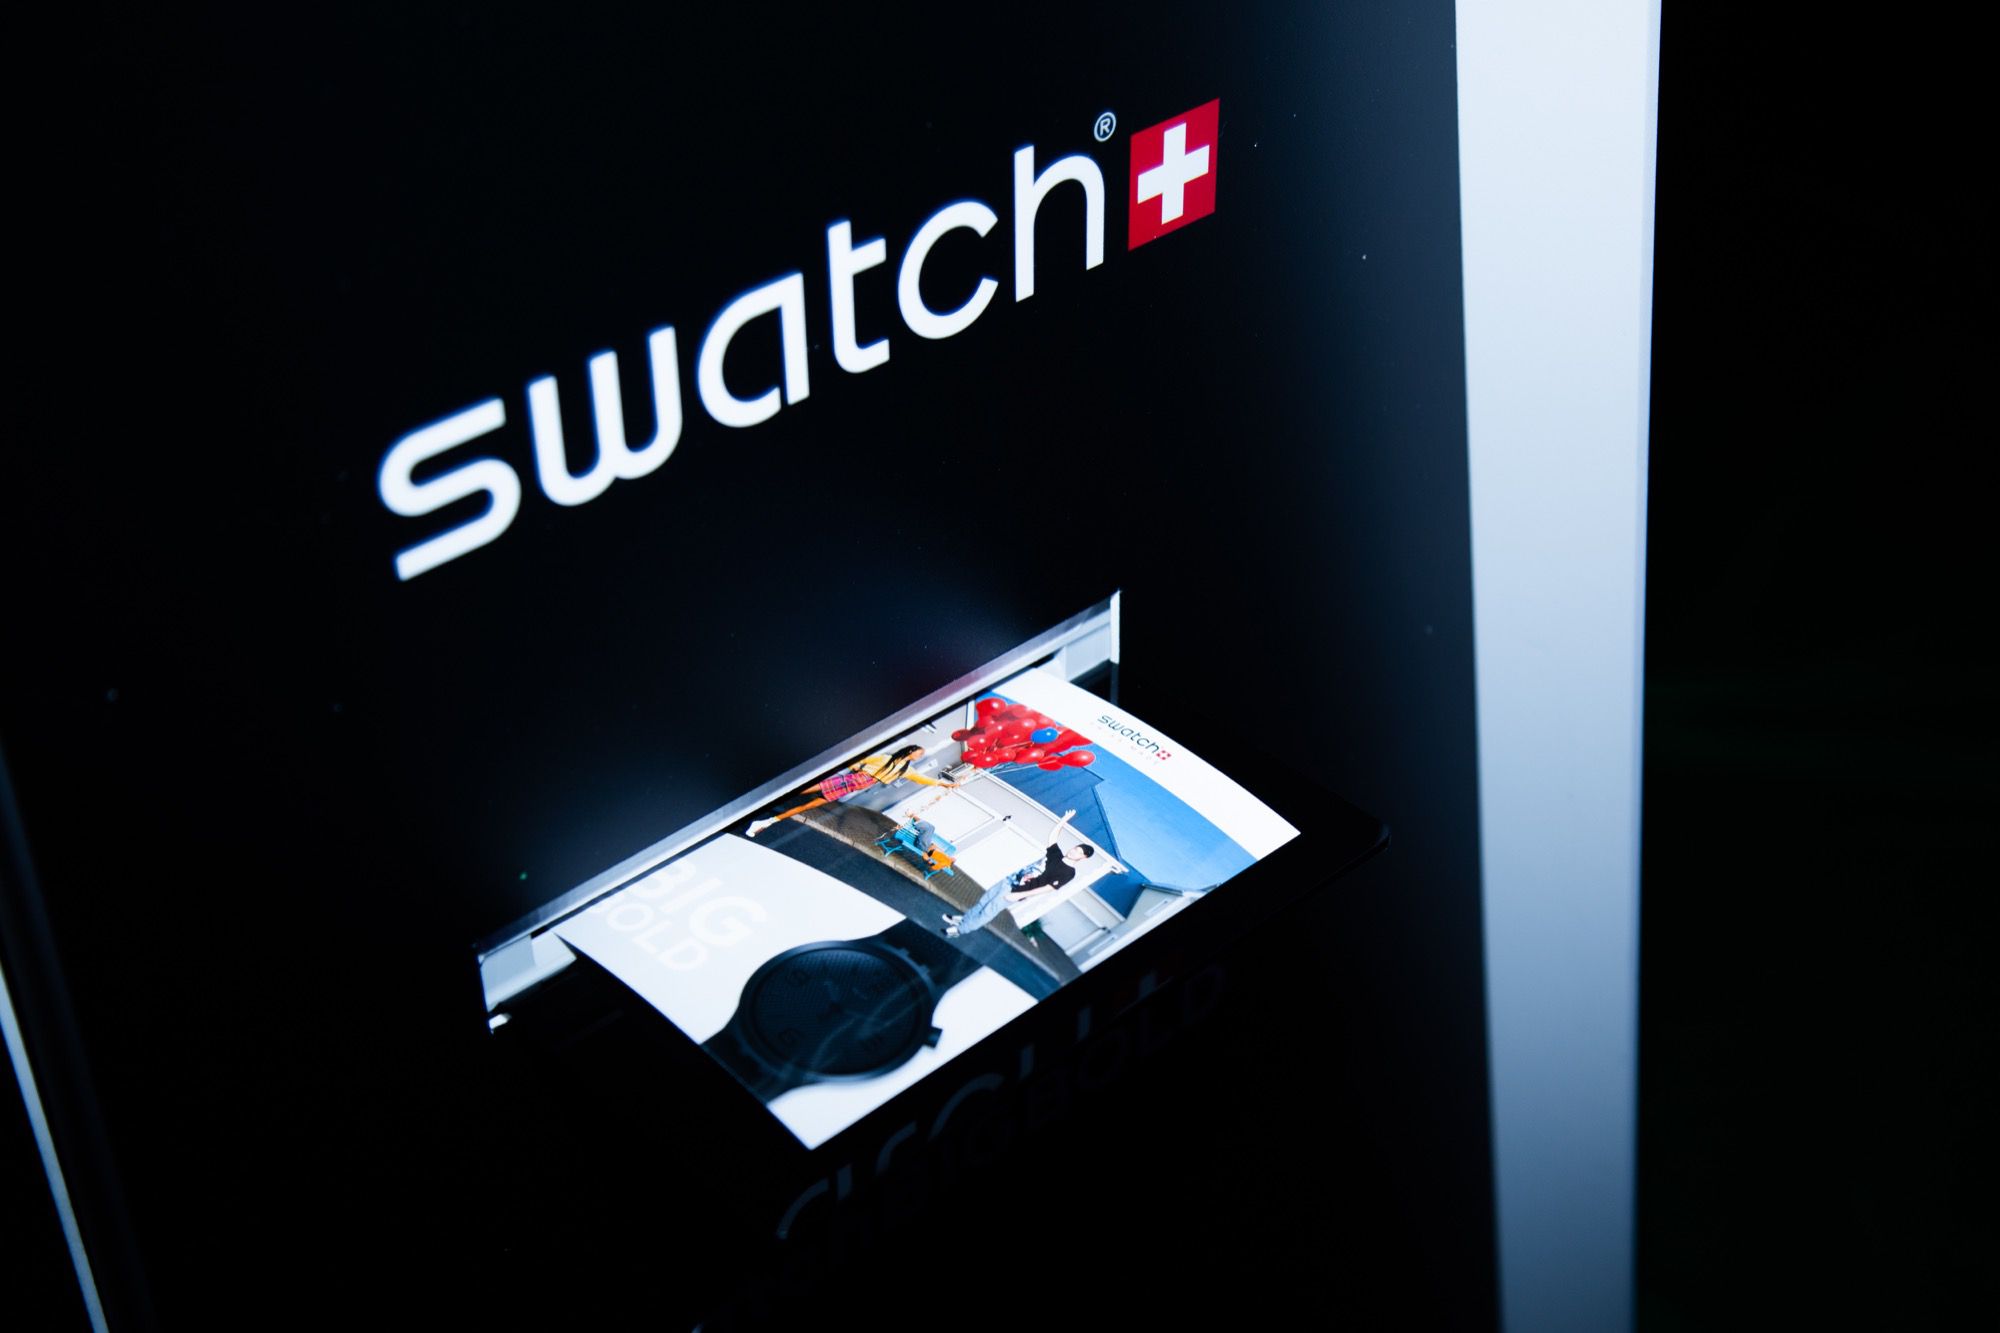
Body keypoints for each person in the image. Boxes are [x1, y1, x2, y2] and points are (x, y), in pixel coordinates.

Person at [943, 808, 1125, 937]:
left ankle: (960, 930)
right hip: (1010, 880)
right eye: (1076, 848)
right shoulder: (1056, 855)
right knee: (984, 902)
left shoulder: (1068, 872)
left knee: (989, 911)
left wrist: (1020, 895)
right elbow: (1053, 837)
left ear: (1083, 858)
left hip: (1017, 891)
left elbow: (1048, 888)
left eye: (1079, 852)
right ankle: (964, 919)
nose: (1074, 851)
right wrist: (1063, 821)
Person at [745, 744, 958, 837]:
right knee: (800, 792)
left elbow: (922, 779)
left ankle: (767, 822)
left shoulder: (906, 770)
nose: (920, 756)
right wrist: (856, 768)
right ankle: (758, 802)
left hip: (858, 785)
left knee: (808, 806)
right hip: (853, 779)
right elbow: (860, 759)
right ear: (911, 751)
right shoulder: (885, 758)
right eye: (919, 753)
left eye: (921, 755)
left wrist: (944, 784)